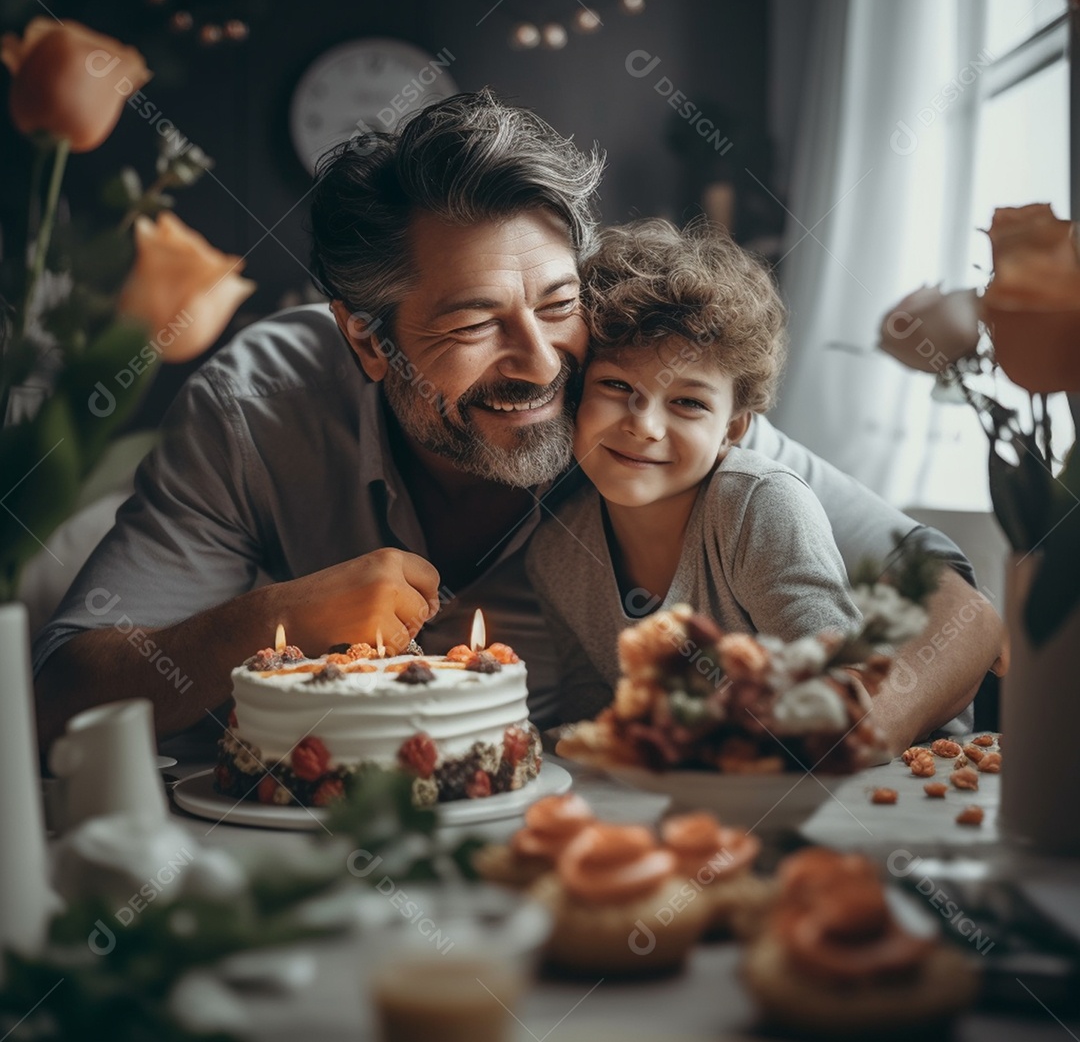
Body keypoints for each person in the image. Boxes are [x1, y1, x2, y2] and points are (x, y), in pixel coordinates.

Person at [32, 90, 1003, 754]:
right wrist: (281, 616)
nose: (541, 365)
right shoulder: (258, 408)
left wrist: (861, 719)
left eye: (553, 303)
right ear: (368, 343)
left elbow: (958, 609)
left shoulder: (632, 387)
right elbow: (65, 692)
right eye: (471, 323)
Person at [526, 219, 862, 723]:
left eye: (687, 402)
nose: (645, 426)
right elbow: (592, 710)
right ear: (575, 395)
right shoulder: (556, 553)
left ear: (733, 429)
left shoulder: (757, 507)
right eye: (616, 387)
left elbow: (839, 694)